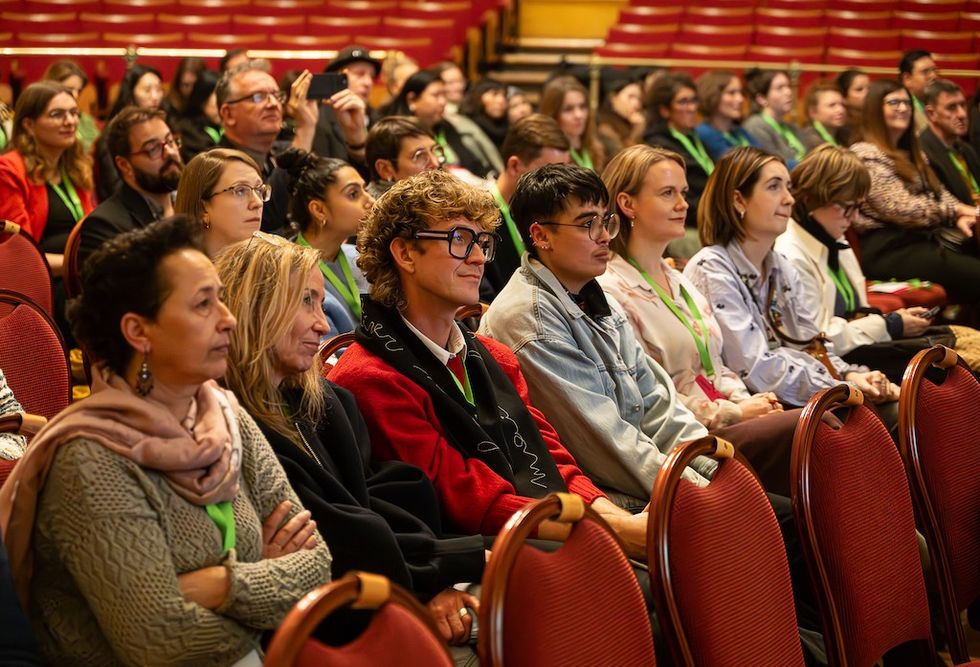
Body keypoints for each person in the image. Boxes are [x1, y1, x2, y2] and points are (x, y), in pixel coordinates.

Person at [0, 215, 331, 665]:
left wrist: (222, 585)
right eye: (202, 305)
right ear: (139, 332)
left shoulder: (224, 415)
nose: (229, 320)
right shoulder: (91, 460)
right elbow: (161, 643)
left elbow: (319, 565)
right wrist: (267, 579)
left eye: (222, 300)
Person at [328, 169, 650, 558]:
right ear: (405, 253)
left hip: (541, 525)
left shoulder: (493, 356)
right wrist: (610, 530)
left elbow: (550, 460)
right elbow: (467, 499)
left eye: (482, 241)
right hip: (474, 556)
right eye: (460, 240)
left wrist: (613, 518)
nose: (479, 257)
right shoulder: (371, 378)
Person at [216, 235, 486, 648]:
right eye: (305, 302)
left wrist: (443, 573)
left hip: (393, 586)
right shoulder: (228, 425)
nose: (323, 324)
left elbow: (383, 499)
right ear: (256, 305)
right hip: (327, 628)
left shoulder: (325, 402)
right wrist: (450, 570)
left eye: (320, 303)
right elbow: (340, 544)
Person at [597, 145, 804, 492]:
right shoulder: (611, 290)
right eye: (667, 194)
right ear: (627, 203)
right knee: (816, 427)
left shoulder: (679, 280)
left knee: (817, 434)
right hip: (687, 438)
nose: (682, 205)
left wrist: (746, 401)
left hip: (726, 418)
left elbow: (716, 368)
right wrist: (734, 412)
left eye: (683, 193)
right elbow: (645, 399)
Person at [684, 146, 896, 408]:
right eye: (774, 187)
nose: (789, 199)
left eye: (788, 187)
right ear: (739, 200)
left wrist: (851, 373)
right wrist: (843, 387)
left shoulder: (779, 267)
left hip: (799, 400)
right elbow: (755, 369)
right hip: (755, 407)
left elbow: (811, 344)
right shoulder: (712, 269)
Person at [773, 144, 953, 377]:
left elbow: (855, 311)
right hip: (831, 366)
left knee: (957, 353)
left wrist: (891, 322)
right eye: (847, 207)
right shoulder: (789, 253)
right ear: (810, 199)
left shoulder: (832, 234)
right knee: (946, 369)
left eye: (858, 207)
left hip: (857, 351)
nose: (855, 217)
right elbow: (815, 341)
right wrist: (888, 326)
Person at [849, 79, 980, 304]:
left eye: (907, 102)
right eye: (894, 102)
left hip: (922, 242)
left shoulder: (913, 153)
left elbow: (939, 192)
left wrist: (960, 214)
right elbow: (901, 207)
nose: (903, 108)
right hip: (889, 249)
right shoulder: (865, 153)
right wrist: (957, 211)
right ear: (875, 110)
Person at [0, 81, 94, 276]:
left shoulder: (74, 166)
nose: (70, 121)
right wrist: (85, 264)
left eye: (74, 112)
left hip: (77, 277)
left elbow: (92, 231)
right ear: (29, 125)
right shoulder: (8, 170)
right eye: (57, 114)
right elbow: (19, 253)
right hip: (37, 284)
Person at [279, 149, 374, 336]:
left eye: (365, 189)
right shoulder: (291, 273)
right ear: (319, 210)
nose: (370, 200)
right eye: (353, 194)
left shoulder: (359, 256)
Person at [215, 62, 316, 232]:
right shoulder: (214, 167)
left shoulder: (281, 151)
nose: (273, 104)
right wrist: (305, 128)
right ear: (228, 114)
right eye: (258, 97)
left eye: (277, 96)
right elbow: (265, 222)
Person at [482, 113, 570, 301]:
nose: (559, 187)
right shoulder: (479, 220)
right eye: (548, 175)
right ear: (514, 166)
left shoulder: (553, 217)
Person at [78, 107, 182, 267]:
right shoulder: (106, 226)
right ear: (124, 165)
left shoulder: (196, 201)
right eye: (153, 148)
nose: (170, 153)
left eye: (170, 141)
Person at [381, 70, 494, 181]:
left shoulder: (447, 126)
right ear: (412, 99)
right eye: (436, 95)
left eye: (444, 95)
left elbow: (474, 165)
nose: (443, 102)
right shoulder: (395, 133)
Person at [644, 72, 712, 230]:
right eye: (683, 102)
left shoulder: (694, 138)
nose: (692, 108)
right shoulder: (659, 146)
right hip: (685, 223)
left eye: (694, 101)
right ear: (664, 110)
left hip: (708, 217)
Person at [175, 148, 266, 257]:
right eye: (240, 191)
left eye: (259, 190)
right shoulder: (175, 272)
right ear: (202, 208)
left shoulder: (273, 268)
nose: (257, 203)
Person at [95, 65, 165, 201]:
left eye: (159, 89)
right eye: (147, 90)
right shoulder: (112, 134)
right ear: (131, 93)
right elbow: (114, 187)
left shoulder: (162, 126)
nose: (155, 96)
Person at [313, 45, 375, 174]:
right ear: (337, 78)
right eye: (360, 74)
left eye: (371, 76)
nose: (368, 82)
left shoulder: (379, 117)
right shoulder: (319, 120)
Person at [920, 78, 980, 208]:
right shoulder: (923, 153)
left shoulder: (966, 149)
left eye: (963, 105)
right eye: (951, 107)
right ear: (931, 114)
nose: (962, 114)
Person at [364, 115, 441, 199]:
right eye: (419, 155)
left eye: (433, 150)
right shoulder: (377, 210)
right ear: (385, 169)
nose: (435, 163)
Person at [742, 68, 806, 168]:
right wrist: (811, 166)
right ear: (762, 99)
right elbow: (774, 165)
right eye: (780, 88)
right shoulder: (755, 126)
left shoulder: (792, 127)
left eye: (788, 86)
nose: (788, 92)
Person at [540, 75, 605, 173]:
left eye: (582, 107)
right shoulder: (551, 156)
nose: (579, 115)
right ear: (553, 115)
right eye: (568, 109)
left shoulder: (596, 146)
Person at [695, 70, 758, 161]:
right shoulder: (704, 133)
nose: (740, 99)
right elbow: (736, 165)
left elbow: (765, 157)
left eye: (741, 92)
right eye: (731, 93)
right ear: (712, 96)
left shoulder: (739, 131)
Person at [41, 60, 99, 152]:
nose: (75, 95)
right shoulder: (41, 119)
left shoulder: (85, 120)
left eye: (79, 91)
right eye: (69, 89)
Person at [172, 69, 222, 163]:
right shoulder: (188, 130)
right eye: (217, 95)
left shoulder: (222, 126)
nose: (223, 103)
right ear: (203, 98)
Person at [596, 71, 645, 158]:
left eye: (639, 98)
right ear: (613, 98)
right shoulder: (604, 127)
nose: (637, 104)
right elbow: (623, 161)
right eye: (631, 96)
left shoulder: (631, 124)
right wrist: (636, 132)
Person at [459, 79, 509, 153]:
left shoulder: (507, 128)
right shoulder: (466, 126)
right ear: (478, 96)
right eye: (494, 94)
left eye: (504, 96)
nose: (501, 100)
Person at [899, 49, 938, 134]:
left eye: (935, 70)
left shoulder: (935, 104)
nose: (934, 76)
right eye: (925, 72)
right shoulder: (901, 110)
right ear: (907, 79)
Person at [800, 81, 846, 150]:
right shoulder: (809, 141)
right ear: (813, 112)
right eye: (832, 105)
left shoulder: (845, 135)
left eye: (842, 104)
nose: (841, 110)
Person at [835, 68, 869, 146]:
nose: (867, 93)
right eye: (859, 89)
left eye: (869, 88)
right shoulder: (842, 125)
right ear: (843, 96)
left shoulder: (874, 116)